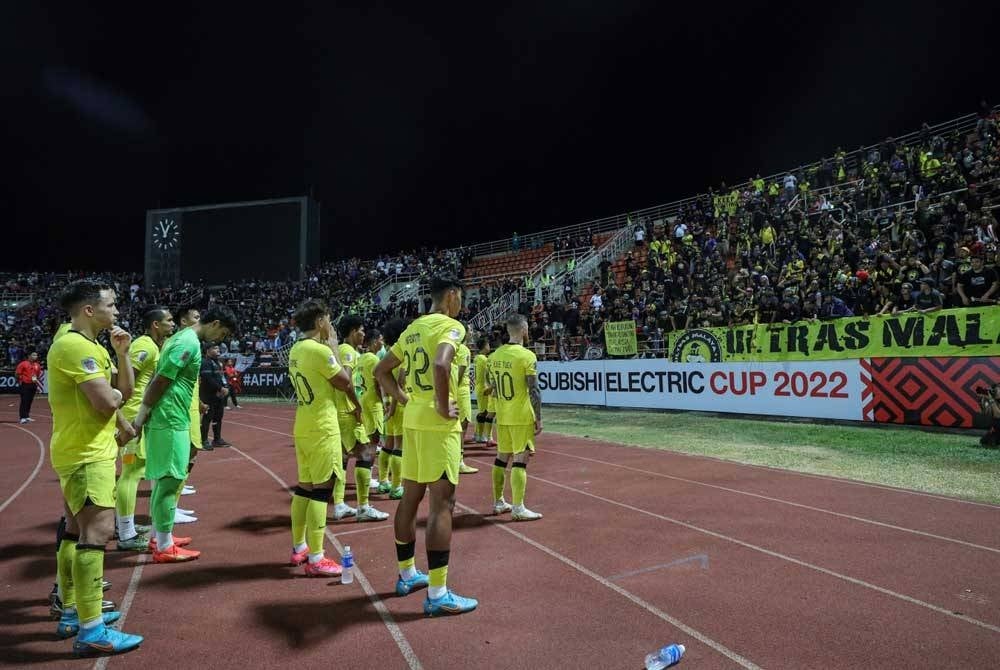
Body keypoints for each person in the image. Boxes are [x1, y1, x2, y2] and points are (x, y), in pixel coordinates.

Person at [46, 279, 142, 655]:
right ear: (90, 309)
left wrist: (122, 354)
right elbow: (107, 401)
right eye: (111, 305)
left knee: (75, 530)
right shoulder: (72, 345)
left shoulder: (92, 345)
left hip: (87, 450)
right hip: (87, 453)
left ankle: (72, 612)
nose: (116, 311)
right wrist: (113, 398)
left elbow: (125, 393)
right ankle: (92, 631)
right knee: (97, 533)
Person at [375, 275, 478, 616]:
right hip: (437, 424)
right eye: (460, 298)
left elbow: (382, 370)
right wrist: (439, 402)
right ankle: (437, 593)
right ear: (451, 295)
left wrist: (405, 399)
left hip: (413, 419)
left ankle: (407, 575)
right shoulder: (451, 326)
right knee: (442, 504)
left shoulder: (413, 328)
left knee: (410, 495)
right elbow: (440, 362)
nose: (461, 304)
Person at [132, 305, 235, 563]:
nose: (220, 339)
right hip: (170, 418)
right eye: (222, 333)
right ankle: (164, 546)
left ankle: (159, 536)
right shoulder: (188, 341)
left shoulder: (179, 338)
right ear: (215, 323)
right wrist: (142, 413)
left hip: (169, 416)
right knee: (171, 481)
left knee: (165, 480)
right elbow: (162, 379)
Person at [287, 300, 358, 576]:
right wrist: (334, 347)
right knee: (322, 489)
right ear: (320, 322)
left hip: (303, 425)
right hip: (322, 426)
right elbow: (345, 382)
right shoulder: (319, 351)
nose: (331, 324)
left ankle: (299, 548)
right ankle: (317, 558)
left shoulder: (295, 349)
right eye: (328, 319)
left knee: (304, 488)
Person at [115, 306, 175, 551]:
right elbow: (125, 378)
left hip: (138, 414)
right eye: (169, 320)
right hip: (131, 416)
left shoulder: (154, 346)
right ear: (155, 325)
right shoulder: (145, 345)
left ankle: (123, 525)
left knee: (136, 471)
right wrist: (125, 417)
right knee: (131, 472)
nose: (173, 324)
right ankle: (126, 534)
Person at [331, 315, 389, 522]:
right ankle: (363, 506)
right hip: (348, 413)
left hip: (339, 411)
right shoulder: (348, 352)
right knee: (366, 455)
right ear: (353, 331)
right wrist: (356, 404)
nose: (364, 334)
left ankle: (339, 504)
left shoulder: (343, 351)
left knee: (343, 458)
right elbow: (345, 379)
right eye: (362, 330)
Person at [489, 314, 544, 521]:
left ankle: (498, 501)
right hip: (520, 414)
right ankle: (518, 508)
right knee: (520, 460)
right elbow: (534, 390)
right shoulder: (526, 356)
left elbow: (493, 386)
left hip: (502, 414)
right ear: (523, 330)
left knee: (502, 457)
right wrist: (538, 417)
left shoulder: (495, 356)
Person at [380, 318, 409, 500]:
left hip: (391, 402)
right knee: (400, 446)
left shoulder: (388, 354)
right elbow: (400, 382)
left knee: (388, 445)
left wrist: (386, 402)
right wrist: (394, 406)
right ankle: (397, 486)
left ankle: (383, 480)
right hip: (400, 405)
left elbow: (383, 379)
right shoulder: (402, 354)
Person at [356, 328, 387, 492]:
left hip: (363, 400)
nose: (382, 343)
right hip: (373, 403)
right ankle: (368, 476)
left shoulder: (361, 359)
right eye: (381, 339)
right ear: (375, 341)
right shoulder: (374, 359)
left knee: (369, 441)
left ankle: (367, 474)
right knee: (373, 443)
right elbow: (378, 385)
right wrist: (384, 402)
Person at [199, 344, 232, 449]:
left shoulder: (218, 363)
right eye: (215, 348)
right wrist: (220, 389)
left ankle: (217, 439)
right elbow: (208, 379)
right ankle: (203, 440)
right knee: (207, 418)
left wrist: (225, 387)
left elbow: (222, 377)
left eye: (218, 348)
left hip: (218, 396)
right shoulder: (205, 362)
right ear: (208, 350)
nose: (218, 350)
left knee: (218, 417)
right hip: (208, 395)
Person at [455, 332, 478, 474]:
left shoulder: (450, 347)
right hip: (461, 391)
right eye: (468, 330)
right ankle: (459, 461)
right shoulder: (463, 349)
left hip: (454, 390)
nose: (471, 332)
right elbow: (460, 372)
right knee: (462, 426)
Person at [472, 337, 494, 444]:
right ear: (485, 346)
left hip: (479, 386)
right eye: (488, 344)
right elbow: (490, 371)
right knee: (484, 412)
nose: (489, 347)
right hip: (483, 387)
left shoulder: (477, 358)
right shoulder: (483, 359)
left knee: (483, 411)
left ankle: (477, 433)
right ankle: (480, 435)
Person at [15, 350, 41, 424]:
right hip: (25, 384)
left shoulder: (37, 365)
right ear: (29, 356)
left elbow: (37, 375)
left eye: (36, 355)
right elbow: (17, 373)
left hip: (33, 384)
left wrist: (37, 385)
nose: (35, 356)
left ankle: (27, 416)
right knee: (24, 401)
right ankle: (22, 417)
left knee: (30, 401)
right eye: (33, 355)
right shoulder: (23, 364)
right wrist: (20, 380)